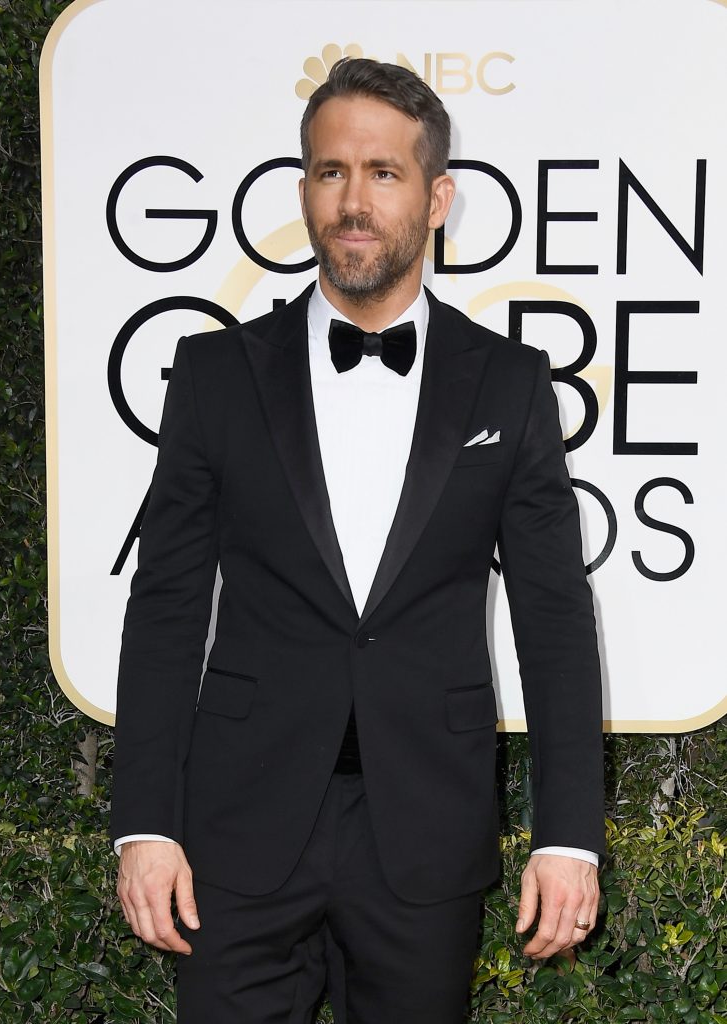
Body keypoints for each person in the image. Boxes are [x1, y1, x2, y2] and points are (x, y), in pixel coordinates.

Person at [111, 57, 605, 1024]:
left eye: (384, 173)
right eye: (332, 172)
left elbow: (552, 616)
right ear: (304, 192)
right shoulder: (216, 375)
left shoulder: (509, 382)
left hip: (426, 828)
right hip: (239, 831)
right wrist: (144, 823)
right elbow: (166, 604)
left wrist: (569, 836)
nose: (354, 200)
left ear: (437, 199)